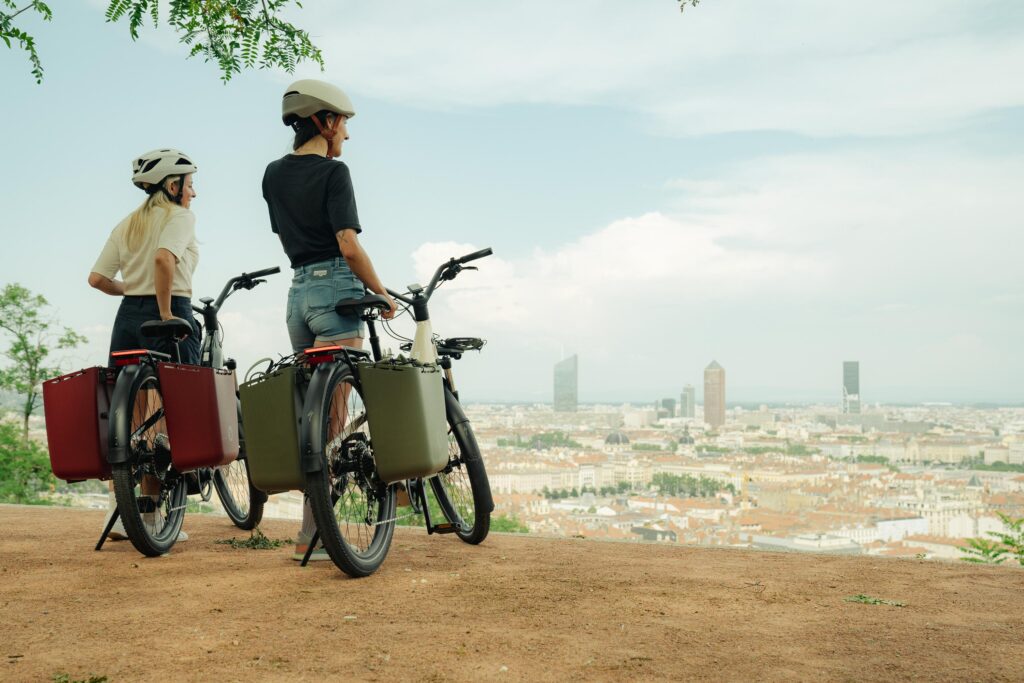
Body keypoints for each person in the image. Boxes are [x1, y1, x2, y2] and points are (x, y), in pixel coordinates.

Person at [262, 79, 397, 561]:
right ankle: (321, 534)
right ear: (324, 121)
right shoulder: (335, 175)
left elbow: (287, 235)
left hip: (297, 296)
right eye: (343, 123)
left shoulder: (272, 174)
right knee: (335, 421)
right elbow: (347, 244)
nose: (347, 135)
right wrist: (380, 293)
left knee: (312, 419)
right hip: (336, 291)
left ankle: (309, 532)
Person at [89, 148, 201, 542]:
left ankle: (120, 513)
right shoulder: (180, 216)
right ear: (173, 186)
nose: (194, 193)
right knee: (168, 414)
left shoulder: (127, 224)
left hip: (128, 318)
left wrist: (132, 291)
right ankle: (151, 517)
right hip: (168, 312)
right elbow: (164, 260)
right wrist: (167, 312)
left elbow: (98, 279)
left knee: (131, 414)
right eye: (190, 185)